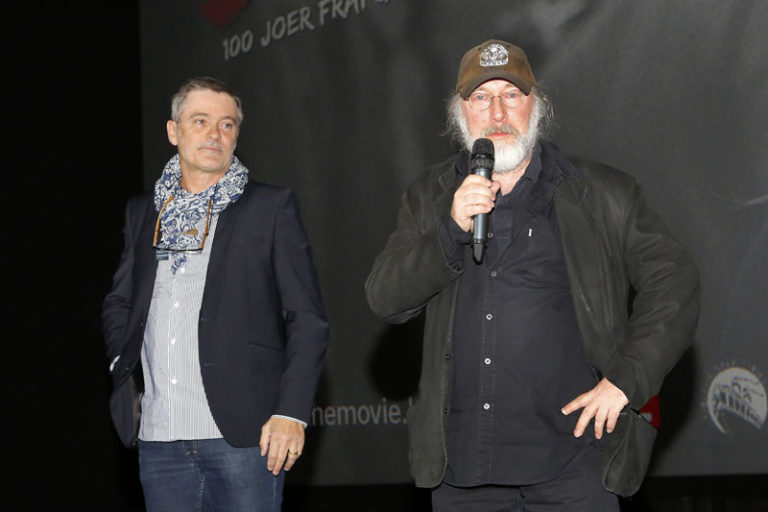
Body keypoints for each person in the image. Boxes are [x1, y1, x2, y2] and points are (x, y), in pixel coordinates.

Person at [365, 39, 699, 511]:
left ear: (535, 106)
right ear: (460, 113)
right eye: (481, 98)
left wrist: (627, 378)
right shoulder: (430, 196)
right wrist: (449, 229)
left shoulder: (600, 192)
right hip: (462, 471)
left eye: (511, 95)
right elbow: (385, 299)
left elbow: (674, 281)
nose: (497, 112)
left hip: (573, 464)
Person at [102, 76, 329, 512]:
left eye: (227, 125)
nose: (214, 134)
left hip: (244, 438)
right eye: (200, 121)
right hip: (159, 438)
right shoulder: (143, 211)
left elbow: (307, 318)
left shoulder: (270, 207)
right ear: (174, 131)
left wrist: (291, 412)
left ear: (236, 136)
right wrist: (121, 359)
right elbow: (120, 301)